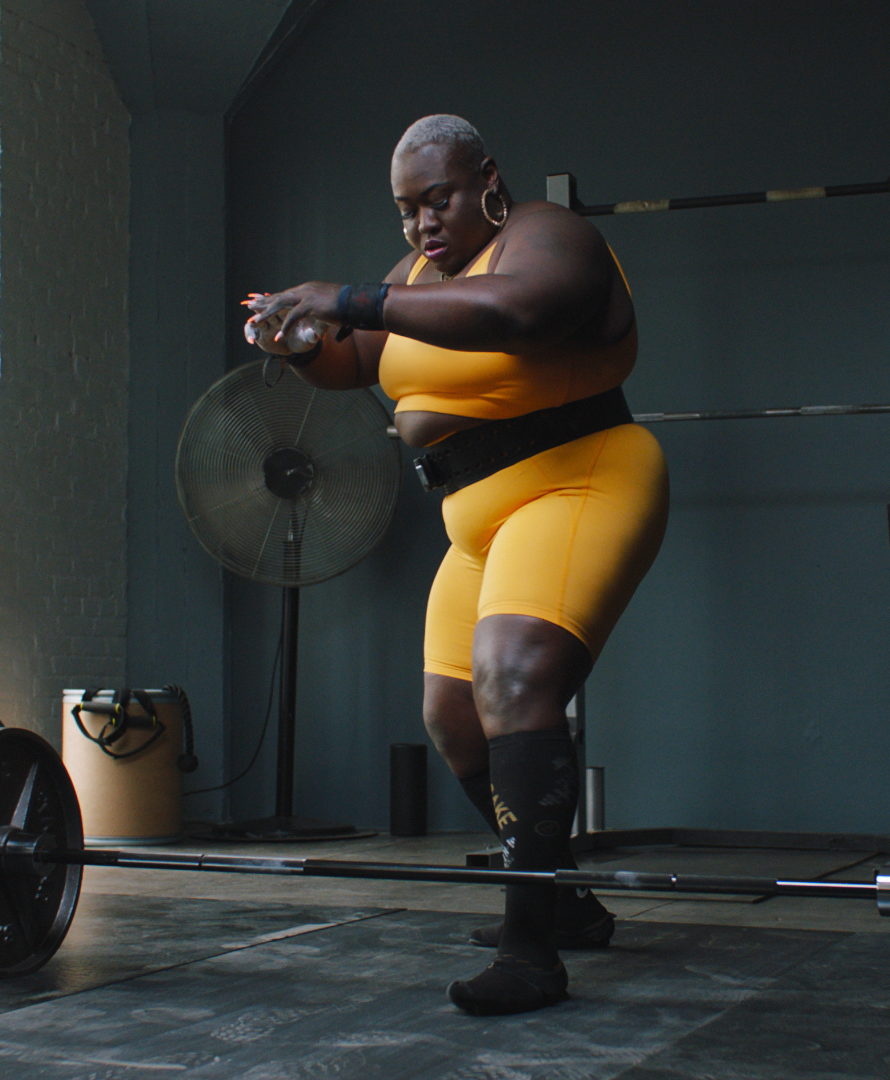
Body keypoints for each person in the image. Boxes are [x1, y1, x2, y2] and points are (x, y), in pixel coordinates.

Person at [245, 115, 668, 1016]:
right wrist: (301, 342)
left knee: (513, 678)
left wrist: (348, 298)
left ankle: (531, 951)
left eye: (437, 199)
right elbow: (357, 360)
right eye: (405, 211)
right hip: (476, 517)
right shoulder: (413, 278)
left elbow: (515, 313)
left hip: (577, 479)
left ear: (487, 179)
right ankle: (566, 903)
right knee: (453, 719)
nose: (422, 226)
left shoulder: (549, 235)